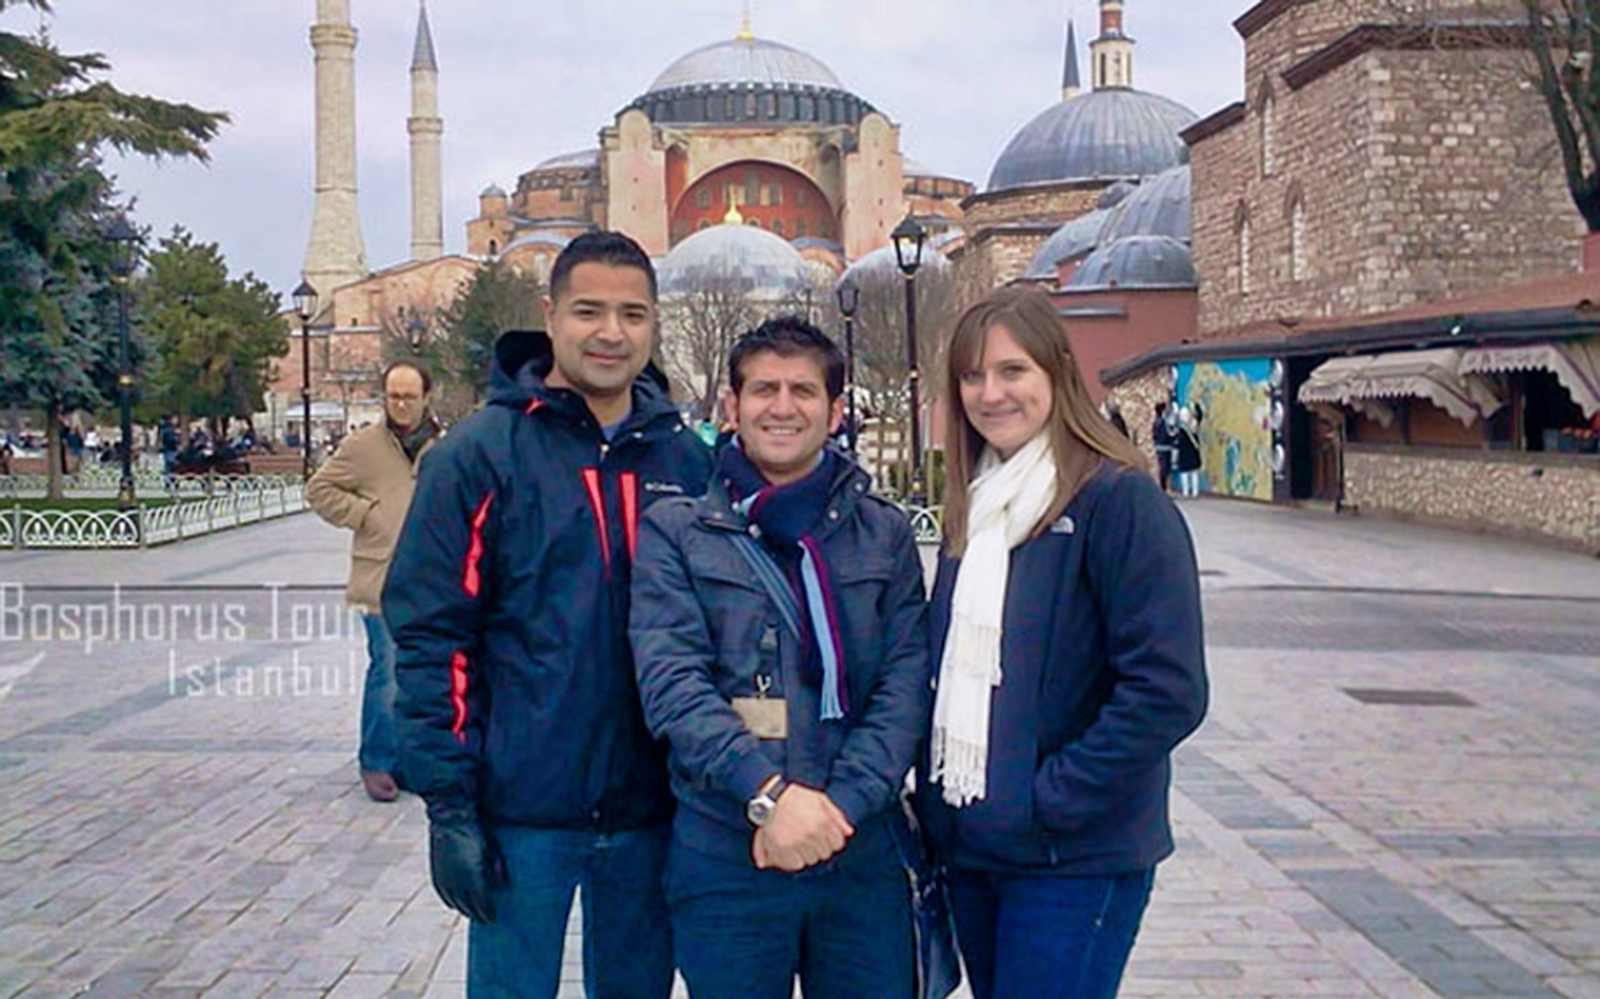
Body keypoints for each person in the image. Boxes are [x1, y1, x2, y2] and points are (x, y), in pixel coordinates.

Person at [385, 231, 713, 999]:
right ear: (551, 315)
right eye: (589, 310)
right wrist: (450, 804)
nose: (610, 332)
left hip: (650, 809)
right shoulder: (481, 453)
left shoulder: (685, 464)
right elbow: (434, 634)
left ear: (653, 322)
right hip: (520, 809)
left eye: (632, 314)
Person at [914, 287, 1208, 999]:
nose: (992, 393)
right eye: (973, 376)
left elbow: (1167, 690)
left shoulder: (1117, 501)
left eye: (1012, 371)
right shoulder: (977, 508)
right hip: (976, 846)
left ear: (1055, 375)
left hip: (1072, 855)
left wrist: (1047, 798)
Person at [630, 317, 930, 999]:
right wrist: (768, 799)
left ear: (835, 408)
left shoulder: (882, 534)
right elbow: (674, 682)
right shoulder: (678, 532)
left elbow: (905, 685)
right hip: (728, 847)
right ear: (731, 406)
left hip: (858, 847)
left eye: (803, 389)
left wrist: (835, 811)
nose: (783, 406)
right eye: (764, 388)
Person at [306, 359, 443, 803]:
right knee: (387, 671)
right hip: (379, 578)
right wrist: (365, 515)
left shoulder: (446, 448)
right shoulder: (363, 446)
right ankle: (377, 760)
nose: (401, 404)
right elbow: (319, 490)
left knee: (421, 676)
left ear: (427, 397)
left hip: (431, 583)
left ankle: (408, 759)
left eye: (409, 396)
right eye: (393, 396)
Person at [1174, 404, 1203, 498]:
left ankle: (1186, 491)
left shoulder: (1180, 428)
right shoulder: (1193, 425)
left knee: (1185, 473)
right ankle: (1195, 491)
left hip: (1184, 452)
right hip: (1193, 451)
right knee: (1193, 472)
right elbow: (1199, 416)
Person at [1151, 402, 1175, 493]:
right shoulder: (1163, 422)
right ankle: (1164, 486)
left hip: (1159, 446)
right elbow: (1167, 434)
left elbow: (1154, 435)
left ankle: (1163, 485)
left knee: (1162, 465)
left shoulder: (1155, 422)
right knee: (1165, 467)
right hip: (1165, 446)